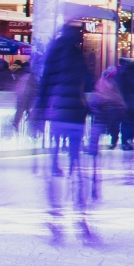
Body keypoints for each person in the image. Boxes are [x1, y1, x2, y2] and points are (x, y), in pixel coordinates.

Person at [35, 19, 96, 234]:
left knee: (54, 159)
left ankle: (55, 208)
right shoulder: (77, 55)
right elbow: (86, 83)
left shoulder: (54, 53)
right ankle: (79, 207)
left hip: (58, 114)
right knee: (75, 161)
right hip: (75, 117)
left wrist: (40, 110)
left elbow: (45, 84)